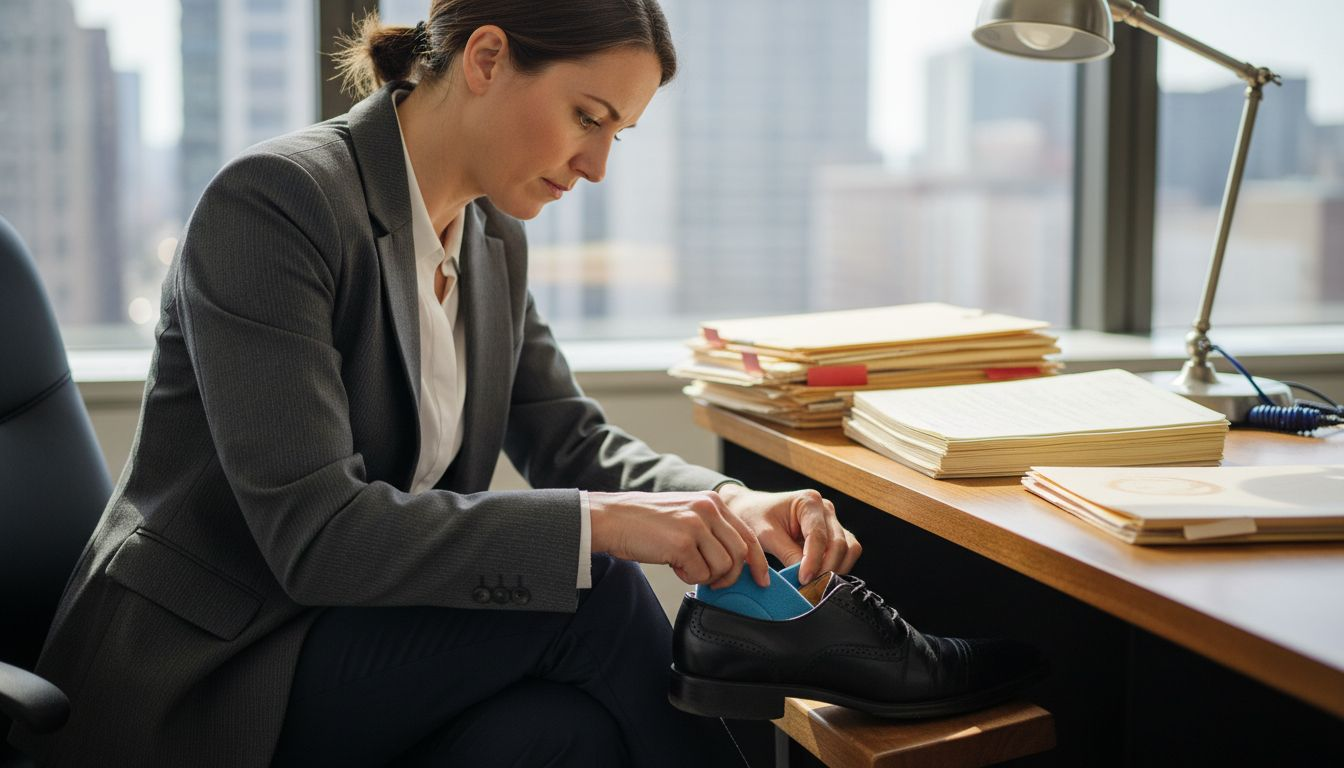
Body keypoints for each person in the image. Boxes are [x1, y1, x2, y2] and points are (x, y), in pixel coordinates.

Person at [8, 1, 862, 765]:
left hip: (360, 639)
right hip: (211, 670)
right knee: (590, 587)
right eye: (587, 118)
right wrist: (607, 527)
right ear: (486, 58)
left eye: (616, 134)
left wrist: (726, 501)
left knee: (565, 731)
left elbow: (568, 437)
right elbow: (318, 535)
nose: (598, 164)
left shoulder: (489, 235)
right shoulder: (276, 204)